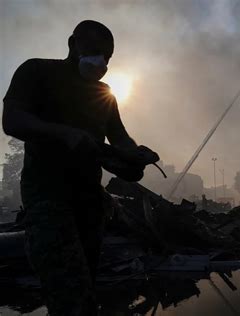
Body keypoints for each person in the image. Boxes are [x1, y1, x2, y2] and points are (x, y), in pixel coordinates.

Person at [2, 20, 153, 315]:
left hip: (89, 204)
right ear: (73, 43)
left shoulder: (104, 93)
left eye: (108, 57)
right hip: (48, 199)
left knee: (85, 289)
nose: (101, 61)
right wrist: (64, 133)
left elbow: (119, 137)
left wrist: (135, 155)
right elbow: (13, 120)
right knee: (70, 295)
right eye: (95, 51)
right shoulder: (37, 71)